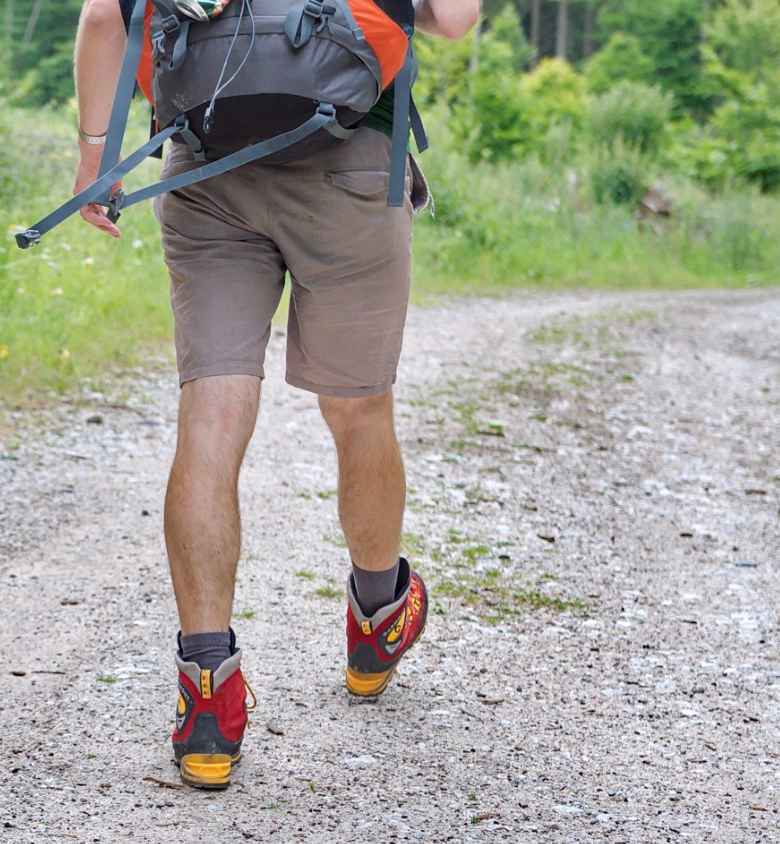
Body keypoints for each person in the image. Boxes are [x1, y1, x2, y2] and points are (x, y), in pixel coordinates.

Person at [69, 0, 480, 790]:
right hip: (351, 158)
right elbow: (454, 19)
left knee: (212, 413)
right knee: (358, 407)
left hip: (205, 159)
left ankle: (207, 700)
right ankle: (376, 618)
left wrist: (95, 156)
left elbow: (101, 18)